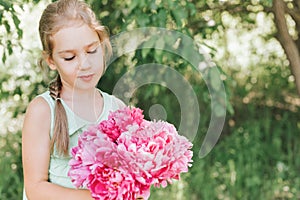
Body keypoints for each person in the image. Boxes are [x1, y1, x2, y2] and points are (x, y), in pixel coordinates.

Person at [21, 0, 127, 199]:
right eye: (70, 57)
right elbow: (35, 188)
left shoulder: (117, 109)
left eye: (92, 50)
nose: (84, 64)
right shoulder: (42, 111)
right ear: (51, 61)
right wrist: (99, 197)